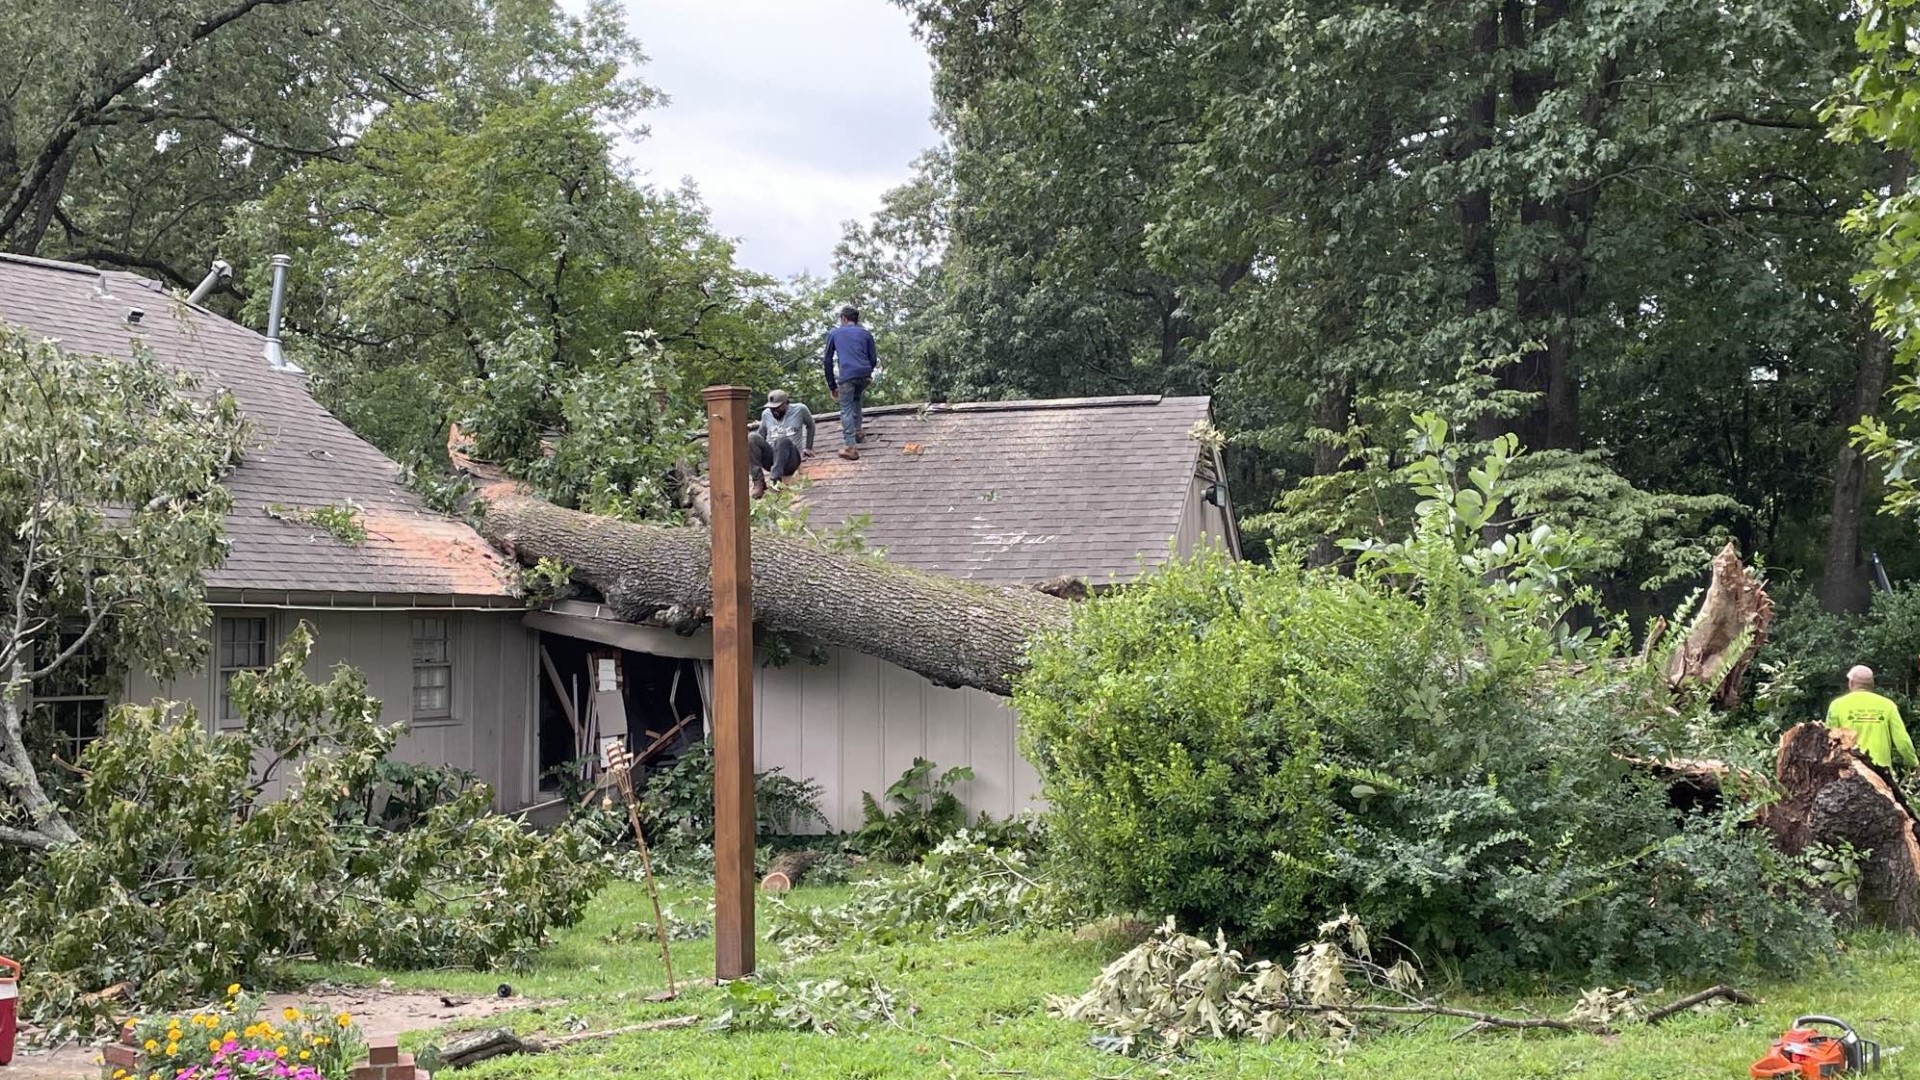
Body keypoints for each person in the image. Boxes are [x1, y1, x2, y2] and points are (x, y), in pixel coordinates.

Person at [1826, 665, 1919, 774]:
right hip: (1881, 773)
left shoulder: (1837, 705)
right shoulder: (1888, 705)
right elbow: (1902, 742)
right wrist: (1914, 763)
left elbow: (1829, 739)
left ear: (1851, 683)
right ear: (1872, 685)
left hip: (1849, 771)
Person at [821, 304, 878, 460]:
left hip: (848, 374)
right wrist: (867, 371)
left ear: (844, 318)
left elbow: (827, 361)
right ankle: (858, 431)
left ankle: (850, 446)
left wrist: (832, 385)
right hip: (864, 373)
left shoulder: (835, 333)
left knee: (846, 407)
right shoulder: (866, 334)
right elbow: (873, 359)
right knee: (856, 398)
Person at [748, 389, 813, 497]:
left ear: (786, 403)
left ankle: (775, 482)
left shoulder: (800, 409)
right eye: (772, 408)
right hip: (772, 460)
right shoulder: (766, 414)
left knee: (781, 439)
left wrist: (808, 447)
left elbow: (811, 425)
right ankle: (758, 482)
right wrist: (753, 450)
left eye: (777, 407)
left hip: (791, 459)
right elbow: (760, 436)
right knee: (752, 437)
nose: (775, 411)